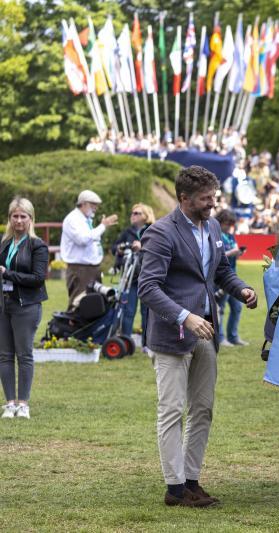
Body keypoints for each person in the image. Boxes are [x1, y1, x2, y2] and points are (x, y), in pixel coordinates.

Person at [138, 166, 258, 508]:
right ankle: (175, 489)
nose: (212, 204)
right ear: (183, 199)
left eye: (214, 197)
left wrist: (242, 290)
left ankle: (192, 480)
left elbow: (220, 270)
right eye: (206, 199)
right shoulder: (160, 233)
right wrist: (185, 317)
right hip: (173, 335)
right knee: (172, 410)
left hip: (206, 331)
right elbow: (147, 288)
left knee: (203, 409)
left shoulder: (215, 226)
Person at [0, 198, 48, 420]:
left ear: (31, 219)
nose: (18, 220)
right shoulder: (4, 244)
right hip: (4, 304)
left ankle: (23, 404)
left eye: (23, 216)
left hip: (26, 306)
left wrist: (7, 274)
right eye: (15, 216)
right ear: (9, 218)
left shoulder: (37, 245)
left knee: (24, 354)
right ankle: (9, 403)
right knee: (4, 355)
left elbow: (38, 279)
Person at [60, 190, 118, 310]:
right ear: (83, 203)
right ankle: (72, 329)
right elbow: (83, 239)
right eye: (93, 205)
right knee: (79, 305)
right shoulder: (73, 219)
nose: (96, 208)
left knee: (93, 306)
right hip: (80, 270)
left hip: (90, 269)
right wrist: (103, 226)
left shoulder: (84, 219)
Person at [111, 204, 155, 340]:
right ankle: (126, 340)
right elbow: (114, 248)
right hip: (130, 278)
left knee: (146, 311)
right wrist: (119, 249)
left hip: (148, 277)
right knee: (128, 310)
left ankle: (147, 343)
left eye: (137, 213)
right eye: (132, 213)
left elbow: (158, 249)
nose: (133, 215)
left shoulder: (153, 231)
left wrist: (142, 247)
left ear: (146, 216)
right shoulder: (127, 232)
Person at [213, 209, 246, 346]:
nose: (229, 227)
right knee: (220, 308)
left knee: (237, 306)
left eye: (231, 224)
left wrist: (238, 253)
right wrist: (231, 252)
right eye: (227, 224)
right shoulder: (215, 235)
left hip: (233, 276)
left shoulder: (230, 235)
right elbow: (215, 256)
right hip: (220, 277)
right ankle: (220, 338)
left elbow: (234, 252)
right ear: (220, 222)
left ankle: (233, 336)